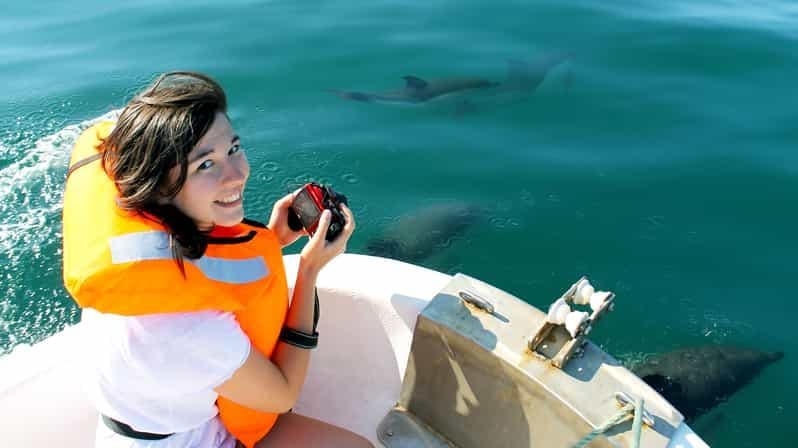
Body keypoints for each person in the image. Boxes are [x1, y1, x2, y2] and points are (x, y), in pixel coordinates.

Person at [61, 72, 373, 448]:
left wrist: (271, 240)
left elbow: (202, 273)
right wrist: (309, 271)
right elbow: (283, 393)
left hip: (150, 423)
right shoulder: (189, 327)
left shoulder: (135, 251)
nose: (237, 174)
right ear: (158, 185)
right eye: (205, 165)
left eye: (233, 149)